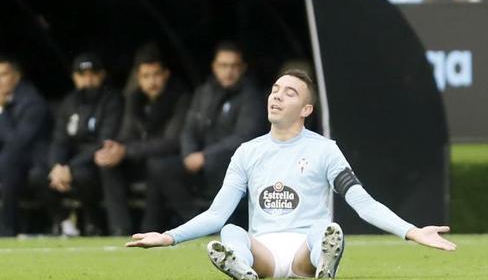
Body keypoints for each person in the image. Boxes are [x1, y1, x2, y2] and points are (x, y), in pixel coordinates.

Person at [126, 69, 456, 280]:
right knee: (229, 231)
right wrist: (168, 236)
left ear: (306, 110)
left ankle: (323, 267)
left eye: (289, 93)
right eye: (275, 89)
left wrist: (413, 232)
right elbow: (215, 214)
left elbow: (364, 204)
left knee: (327, 231)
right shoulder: (247, 152)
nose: (277, 96)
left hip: (304, 252)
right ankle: (243, 271)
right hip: (264, 256)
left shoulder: (326, 150)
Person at [33, 53, 130, 236]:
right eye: (82, 75)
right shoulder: (69, 102)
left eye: (93, 74)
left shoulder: (112, 99)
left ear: (102, 75)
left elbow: (105, 140)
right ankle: (61, 221)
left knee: (84, 176)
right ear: (75, 78)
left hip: (94, 161)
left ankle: (92, 222)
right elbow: (59, 139)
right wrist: (57, 166)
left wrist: (69, 168)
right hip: (69, 162)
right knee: (38, 175)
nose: (88, 80)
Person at [112, 43, 193, 232]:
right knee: (109, 164)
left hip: (169, 163)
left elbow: (173, 142)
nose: (152, 81)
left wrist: (128, 150)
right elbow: (126, 134)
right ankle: (118, 229)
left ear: (166, 74)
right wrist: (116, 150)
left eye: (156, 75)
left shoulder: (180, 98)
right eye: (146, 76)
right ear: (138, 78)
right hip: (141, 160)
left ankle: (151, 227)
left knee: (156, 165)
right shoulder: (134, 99)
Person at [0, 55, 50, 237]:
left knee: (9, 158)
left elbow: (17, 141)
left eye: (2, 75)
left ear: (16, 77)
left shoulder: (32, 101)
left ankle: (6, 226)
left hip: (32, 160)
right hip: (2, 158)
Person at [180, 42, 266, 203]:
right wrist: (188, 153)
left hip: (229, 162)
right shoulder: (204, 92)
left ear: (242, 68)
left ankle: (216, 223)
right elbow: (189, 128)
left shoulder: (251, 97)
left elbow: (245, 137)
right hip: (199, 160)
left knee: (218, 168)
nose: (228, 71)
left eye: (234, 66)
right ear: (214, 67)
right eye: (223, 65)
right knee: (161, 167)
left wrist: (205, 156)